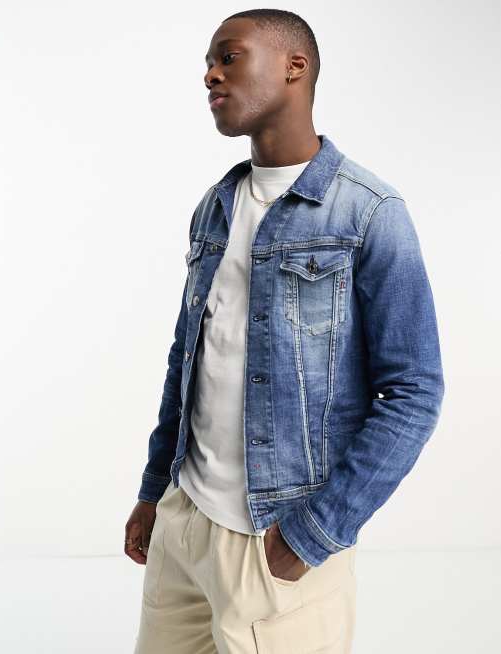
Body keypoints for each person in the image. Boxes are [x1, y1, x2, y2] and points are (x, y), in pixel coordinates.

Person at [126, 9, 445, 653]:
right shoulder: (215, 208)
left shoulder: (370, 212)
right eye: (208, 63)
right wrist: (154, 491)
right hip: (184, 523)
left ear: (295, 66)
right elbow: (187, 360)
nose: (211, 75)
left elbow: (414, 393)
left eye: (228, 57)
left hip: (276, 538)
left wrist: (316, 532)